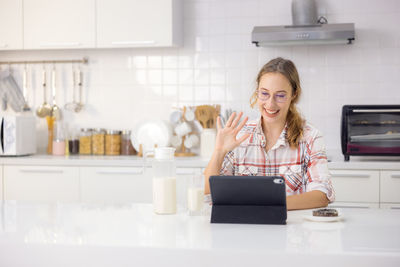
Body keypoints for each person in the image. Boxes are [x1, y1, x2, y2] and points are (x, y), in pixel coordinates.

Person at [204, 57, 335, 210]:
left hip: (293, 230)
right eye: (264, 94)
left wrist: (267, 205)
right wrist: (219, 151)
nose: (270, 104)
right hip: (246, 229)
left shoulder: (310, 137)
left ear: (294, 94)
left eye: (280, 95)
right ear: (257, 92)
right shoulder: (240, 136)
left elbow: (322, 195)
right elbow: (208, 193)